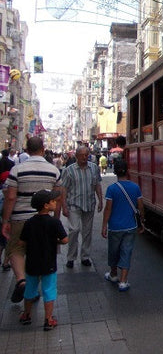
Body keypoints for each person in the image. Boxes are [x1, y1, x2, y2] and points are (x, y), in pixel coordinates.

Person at [1, 137, 62, 303]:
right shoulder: (53, 170)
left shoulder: (17, 170)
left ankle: (21, 280)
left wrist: (6, 220)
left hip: (20, 217)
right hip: (43, 219)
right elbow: (58, 197)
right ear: (43, 149)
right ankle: (34, 289)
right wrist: (56, 219)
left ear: (27, 150)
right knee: (40, 253)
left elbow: (11, 197)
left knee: (15, 250)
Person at [18, 189, 68, 330]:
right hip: (48, 263)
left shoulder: (29, 222)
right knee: (49, 290)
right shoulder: (54, 223)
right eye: (53, 201)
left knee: (30, 289)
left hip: (32, 263)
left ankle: (26, 315)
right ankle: (48, 319)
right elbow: (65, 240)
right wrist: (55, 242)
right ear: (46, 205)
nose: (55, 203)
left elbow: (21, 242)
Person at [102, 159, 144, 292]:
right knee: (126, 251)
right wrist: (141, 221)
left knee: (114, 251)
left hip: (114, 227)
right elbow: (140, 206)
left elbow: (108, 209)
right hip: (130, 226)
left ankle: (113, 274)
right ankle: (123, 281)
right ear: (128, 171)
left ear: (114, 172)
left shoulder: (111, 189)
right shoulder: (135, 187)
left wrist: (104, 225)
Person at [61, 145, 103, 268]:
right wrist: (64, 205)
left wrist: (100, 200)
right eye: (82, 155)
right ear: (77, 156)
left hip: (89, 204)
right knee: (74, 230)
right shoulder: (69, 170)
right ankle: (71, 257)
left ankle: (85, 256)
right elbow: (64, 189)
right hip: (74, 204)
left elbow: (97, 185)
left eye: (87, 155)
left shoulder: (94, 168)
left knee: (87, 232)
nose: (85, 157)